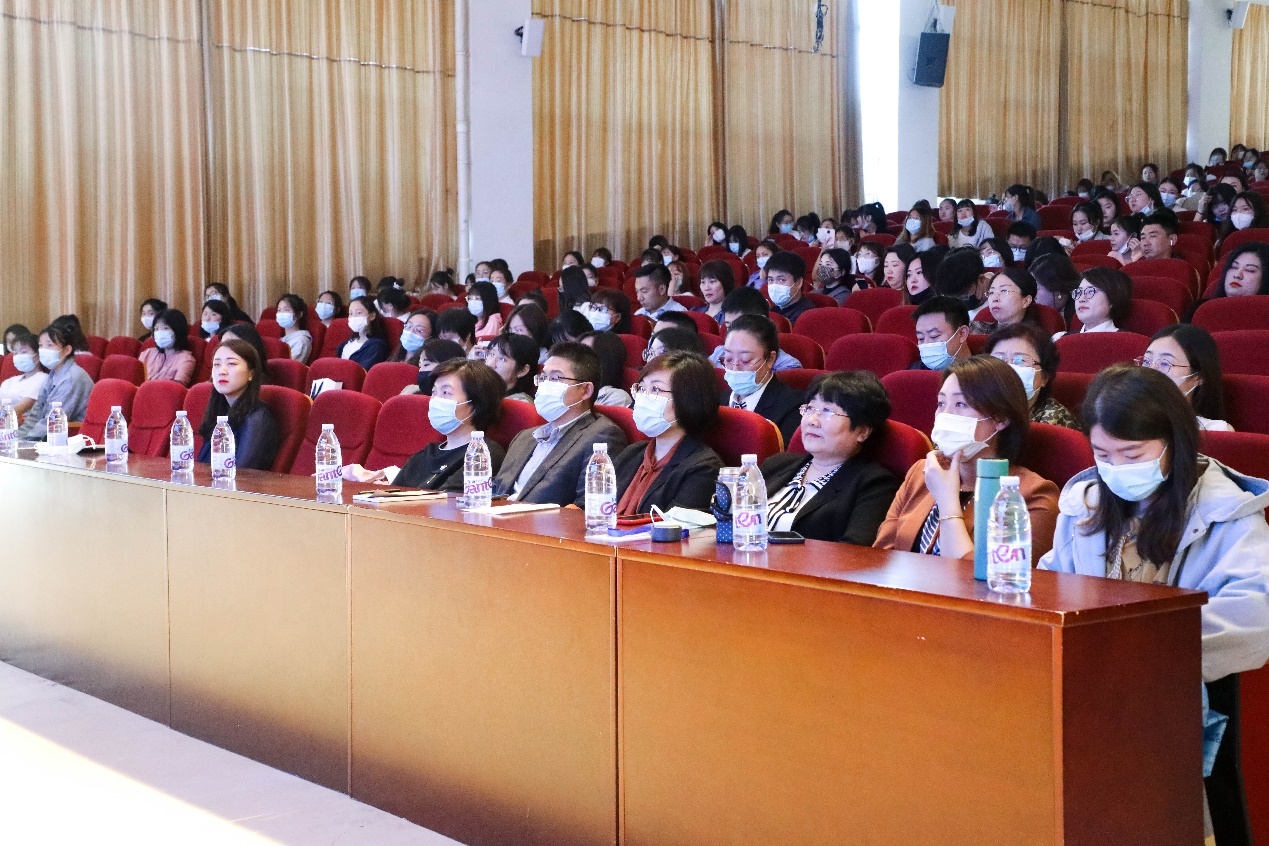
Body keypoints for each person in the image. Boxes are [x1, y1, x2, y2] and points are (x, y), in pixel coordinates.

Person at [1038, 365, 1269, 775]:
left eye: (1132, 455)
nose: (1115, 468)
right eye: (1102, 455)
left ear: (1174, 443)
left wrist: (1132, 650)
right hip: (1084, 693)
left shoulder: (1227, 512)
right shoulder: (1084, 505)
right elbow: (1051, 584)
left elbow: (1255, 613)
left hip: (1172, 705)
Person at [874, 355, 1060, 559]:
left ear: (1001, 418)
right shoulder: (921, 472)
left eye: (961, 404)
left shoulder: (1032, 497)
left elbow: (979, 577)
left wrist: (947, 502)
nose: (945, 414)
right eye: (941, 403)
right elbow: (881, 556)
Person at [759, 371, 901, 544]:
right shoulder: (776, 464)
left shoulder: (874, 485)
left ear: (863, 431)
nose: (812, 420)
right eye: (810, 408)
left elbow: (854, 552)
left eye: (827, 411)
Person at [490, 343, 628, 505]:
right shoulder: (524, 437)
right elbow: (496, 490)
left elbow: (588, 506)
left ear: (585, 390)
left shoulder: (602, 436)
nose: (545, 385)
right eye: (543, 378)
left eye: (555, 378)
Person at [358, 359, 506, 491]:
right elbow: (391, 496)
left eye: (446, 392)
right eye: (434, 392)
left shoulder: (483, 454)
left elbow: (446, 504)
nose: (435, 400)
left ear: (475, 405)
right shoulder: (425, 454)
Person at [606, 351, 723, 515]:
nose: (643, 397)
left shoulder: (703, 468)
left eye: (655, 389)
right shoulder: (632, 453)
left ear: (688, 400)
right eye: (641, 388)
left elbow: (674, 529)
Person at [719, 314, 804, 447]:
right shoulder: (715, 401)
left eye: (745, 360)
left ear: (770, 359)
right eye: (728, 359)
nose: (735, 368)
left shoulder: (792, 407)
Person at [196, 339, 278, 470]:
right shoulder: (220, 412)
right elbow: (201, 467)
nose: (222, 371)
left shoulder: (256, 418)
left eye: (231, 364)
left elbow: (240, 474)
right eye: (216, 364)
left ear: (251, 373)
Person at [983, 322, 1079, 429]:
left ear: (1044, 377)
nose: (1007, 368)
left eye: (1020, 360)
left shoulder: (1056, 421)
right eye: (998, 359)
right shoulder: (977, 405)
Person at [1139, 324, 1232, 431]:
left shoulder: (1214, 430)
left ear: (1198, 377)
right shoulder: (1127, 418)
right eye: (1146, 361)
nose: (1151, 370)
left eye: (1165, 363)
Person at [15, 322, 94, 439]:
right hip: (46, 437)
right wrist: (17, 438)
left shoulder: (72, 378)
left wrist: (24, 441)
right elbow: (35, 415)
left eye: (49, 345)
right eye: (41, 345)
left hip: (67, 438)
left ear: (67, 350)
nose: (43, 350)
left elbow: (52, 421)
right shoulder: (52, 376)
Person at [710, 286, 802, 370]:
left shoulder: (788, 367)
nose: (733, 334)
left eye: (740, 326)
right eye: (729, 327)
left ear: (762, 323)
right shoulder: (719, 353)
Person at [1064, 267, 1131, 336]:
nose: (1081, 299)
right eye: (1079, 292)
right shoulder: (1062, 338)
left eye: (1090, 291)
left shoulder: (1127, 340)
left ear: (1113, 298)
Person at [910, 296, 971, 371]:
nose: (926, 343)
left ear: (962, 334)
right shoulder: (914, 373)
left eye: (934, 336)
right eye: (921, 338)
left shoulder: (981, 373)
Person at [139, 309, 197, 386]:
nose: (160, 333)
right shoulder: (147, 353)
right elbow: (134, 379)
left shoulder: (186, 359)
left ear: (178, 331)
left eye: (165, 328)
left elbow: (177, 388)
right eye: (156, 329)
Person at [934, 247, 991, 325]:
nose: (958, 302)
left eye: (964, 295)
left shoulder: (998, 304)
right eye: (953, 298)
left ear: (981, 279)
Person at [578, 330, 634, 408]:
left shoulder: (616, 397)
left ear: (604, 361)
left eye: (584, 355)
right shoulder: (567, 385)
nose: (575, 359)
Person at [0, 329, 47, 419]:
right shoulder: (9, 381)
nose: (18, 356)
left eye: (23, 352)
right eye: (16, 353)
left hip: (19, 423)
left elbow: (22, 408)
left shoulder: (42, 379)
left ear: (38, 354)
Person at [765, 250, 817, 325]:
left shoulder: (805, 315)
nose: (775, 285)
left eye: (781, 280)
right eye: (771, 280)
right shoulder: (774, 310)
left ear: (798, 282)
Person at [338, 296, 391, 369]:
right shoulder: (350, 342)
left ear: (372, 316)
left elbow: (361, 371)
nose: (353, 317)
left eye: (359, 313)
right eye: (351, 313)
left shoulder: (377, 346)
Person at [403, 338, 468, 396]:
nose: (420, 370)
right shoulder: (412, 392)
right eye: (420, 365)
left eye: (426, 364)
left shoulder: (460, 399)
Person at [486, 332, 538, 403]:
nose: (490, 364)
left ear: (522, 371)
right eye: (491, 354)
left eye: (502, 359)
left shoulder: (520, 403)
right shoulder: (486, 390)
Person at [693, 260, 735, 324]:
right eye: (703, 282)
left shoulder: (731, 317)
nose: (706, 288)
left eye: (712, 281)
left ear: (726, 283)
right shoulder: (695, 311)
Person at [274, 295, 313, 364]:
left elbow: (289, 366)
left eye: (286, 310)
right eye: (279, 310)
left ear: (299, 314)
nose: (281, 314)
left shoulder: (301, 341)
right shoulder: (283, 339)